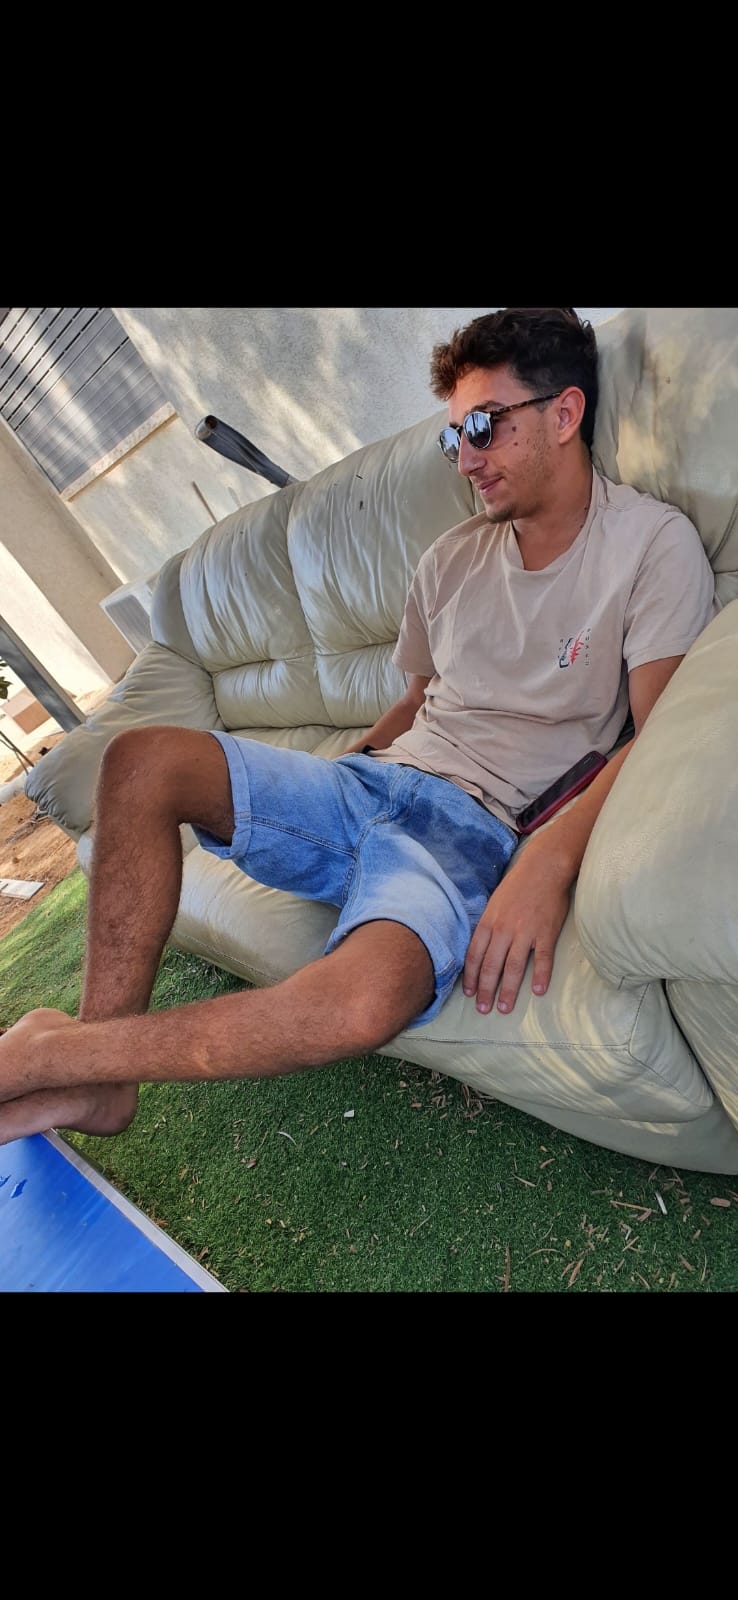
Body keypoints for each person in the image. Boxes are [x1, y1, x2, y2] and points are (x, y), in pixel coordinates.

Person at [0, 306, 718, 1147]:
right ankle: (100, 1084)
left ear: (564, 414)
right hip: (370, 786)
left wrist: (547, 862)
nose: (466, 460)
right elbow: (417, 701)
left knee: (360, 1003)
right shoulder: (450, 559)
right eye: (454, 438)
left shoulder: (649, 546)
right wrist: (337, 771)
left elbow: (653, 739)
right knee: (140, 760)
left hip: (472, 831)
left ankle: (52, 1057)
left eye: (483, 426)